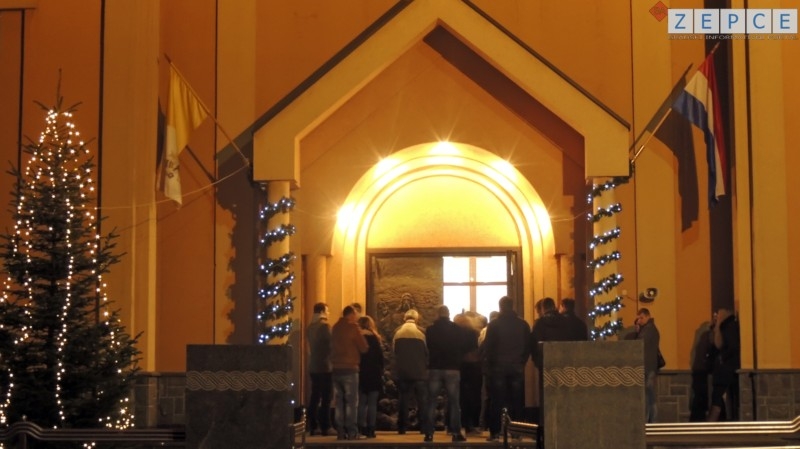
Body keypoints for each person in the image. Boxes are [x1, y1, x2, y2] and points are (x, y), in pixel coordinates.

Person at [480, 296, 531, 442]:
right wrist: (522, 361)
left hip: (498, 366)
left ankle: (495, 432)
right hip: (517, 365)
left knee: (497, 400)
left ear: (500, 306)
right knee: (517, 401)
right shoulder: (523, 324)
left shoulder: (494, 325)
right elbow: (528, 345)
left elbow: (488, 346)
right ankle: (517, 432)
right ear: (512, 306)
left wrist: (489, 365)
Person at [424, 305, 474, 443]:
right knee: (454, 402)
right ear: (448, 314)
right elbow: (463, 346)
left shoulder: (430, 330)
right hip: (452, 368)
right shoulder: (457, 329)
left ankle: (428, 433)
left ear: (438, 314)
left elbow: (428, 346)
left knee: (431, 402)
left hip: (435, 367)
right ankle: (456, 433)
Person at [330, 305, 369, 440]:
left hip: (336, 369)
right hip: (350, 369)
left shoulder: (335, 327)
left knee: (339, 402)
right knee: (351, 402)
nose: (357, 316)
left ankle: (340, 431)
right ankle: (352, 432)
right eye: (356, 314)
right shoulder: (353, 327)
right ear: (351, 314)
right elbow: (364, 347)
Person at [392, 309, 429, 435]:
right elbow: (426, 352)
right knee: (422, 400)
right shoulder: (421, 332)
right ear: (417, 319)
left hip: (403, 372)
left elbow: (394, 351)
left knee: (403, 400)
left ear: (404, 318)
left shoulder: (397, 332)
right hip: (419, 372)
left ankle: (402, 427)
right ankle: (424, 427)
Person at [708, 307, 740, 421]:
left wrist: (722, 358)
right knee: (719, 397)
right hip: (724, 369)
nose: (715, 317)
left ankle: (712, 421)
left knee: (717, 396)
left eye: (717, 315)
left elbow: (728, 346)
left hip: (725, 369)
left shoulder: (728, 327)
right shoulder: (725, 326)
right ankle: (717, 420)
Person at [306, 302, 333, 436]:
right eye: (327, 311)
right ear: (322, 311)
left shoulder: (310, 327)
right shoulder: (325, 326)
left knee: (315, 396)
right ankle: (326, 426)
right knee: (326, 397)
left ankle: (312, 425)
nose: (328, 313)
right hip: (325, 365)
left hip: (313, 365)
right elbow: (331, 345)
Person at [454, 312, 482, 436]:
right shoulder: (473, 333)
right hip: (473, 367)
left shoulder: (455, 333)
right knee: (473, 397)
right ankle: (471, 425)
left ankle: (455, 425)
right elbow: (476, 349)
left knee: (459, 397)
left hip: (459, 366)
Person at [357, 315, 384, 438]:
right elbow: (380, 358)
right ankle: (371, 429)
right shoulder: (375, 339)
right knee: (372, 403)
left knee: (362, 402)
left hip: (361, 372)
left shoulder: (358, 338)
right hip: (374, 373)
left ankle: (361, 428)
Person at [529, 297, 570, 368]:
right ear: (554, 306)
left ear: (543, 308)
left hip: (544, 361)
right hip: (562, 360)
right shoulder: (565, 321)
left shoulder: (539, 323)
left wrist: (537, 361)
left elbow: (534, 343)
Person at [636, 307, 660, 423]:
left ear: (647, 316)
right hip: (650, 366)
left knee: (648, 395)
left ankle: (650, 420)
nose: (639, 321)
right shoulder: (650, 329)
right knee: (649, 394)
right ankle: (651, 419)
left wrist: (638, 331)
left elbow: (640, 344)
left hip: (648, 367)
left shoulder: (648, 330)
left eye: (641, 318)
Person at [689, 315, 715, 421]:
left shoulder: (700, 335)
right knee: (701, 394)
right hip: (703, 369)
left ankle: (697, 416)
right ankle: (699, 417)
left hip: (697, 368)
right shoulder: (708, 335)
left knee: (698, 393)